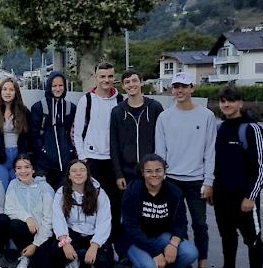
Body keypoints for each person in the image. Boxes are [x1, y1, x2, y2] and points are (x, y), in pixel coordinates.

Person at [155, 72, 217, 268]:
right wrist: (160, 177)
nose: (179, 91)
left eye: (184, 86)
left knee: (200, 224)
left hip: (197, 179)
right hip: (171, 179)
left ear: (192, 88)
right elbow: (160, 151)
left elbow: (210, 151)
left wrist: (208, 181)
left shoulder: (207, 116)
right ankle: (185, 263)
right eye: (175, 87)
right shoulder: (165, 117)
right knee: (176, 224)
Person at [208, 86, 263, 268]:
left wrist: (251, 196)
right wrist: (212, 186)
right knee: (227, 235)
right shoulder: (221, 128)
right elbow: (215, 162)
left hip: (245, 198)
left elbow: (261, 167)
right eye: (223, 101)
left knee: (253, 241)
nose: (226, 105)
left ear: (240, 102)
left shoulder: (251, 129)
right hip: (223, 195)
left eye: (231, 101)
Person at [118, 154, 198, 268]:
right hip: (134, 239)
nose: (154, 175)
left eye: (158, 170)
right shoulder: (134, 190)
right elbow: (130, 227)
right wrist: (156, 253)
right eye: (149, 171)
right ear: (142, 173)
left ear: (164, 171)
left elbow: (180, 222)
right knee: (148, 267)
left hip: (160, 236)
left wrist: (173, 243)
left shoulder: (174, 192)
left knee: (190, 252)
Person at [73, 63, 123, 238]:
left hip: (114, 161)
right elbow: (77, 133)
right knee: (93, 204)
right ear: (96, 78)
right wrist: (83, 158)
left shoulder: (120, 100)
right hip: (92, 160)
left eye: (110, 76)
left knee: (115, 205)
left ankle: (112, 245)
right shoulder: (86, 100)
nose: (106, 80)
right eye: (102, 76)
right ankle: (93, 244)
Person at [51, 159, 114, 268]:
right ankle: (74, 260)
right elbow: (57, 218)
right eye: (74, 171)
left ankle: (93, 263)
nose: (78, 173)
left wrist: (95, 245)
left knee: (105, 261)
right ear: (69, 175)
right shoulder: (62, 192)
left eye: (82, 170)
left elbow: (104, 221)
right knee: (56, 251)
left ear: (88, 174)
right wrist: (65, 242)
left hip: (93, 233)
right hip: (73, 232)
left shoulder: (99, 193)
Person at [110, 69, 163, 188]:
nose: (131, 84)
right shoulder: (117, 112)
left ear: (141, 82)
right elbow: (114, 145)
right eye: (127, 82)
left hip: (151, 170)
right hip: (127, 171)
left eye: (134, 80)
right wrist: (119, 174)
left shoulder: (155, 107)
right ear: (123, 86)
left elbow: (164, 139)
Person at [5, 154, 55, 268]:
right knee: (14, 224)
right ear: (15, 171)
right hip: (26, 230)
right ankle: (25, 256)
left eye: (27, 167)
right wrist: (27, 218)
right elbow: (9, 209)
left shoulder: (45, 188)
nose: (23, 171)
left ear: (33, 169)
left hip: (43, 232)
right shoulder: (13, 184)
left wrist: (35, 244)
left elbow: (49, 219)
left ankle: (32, 251)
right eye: (19, 168)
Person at [30, 71, 77, 189]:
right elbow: (33, 134)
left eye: (60, 85)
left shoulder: (70, 107)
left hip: (65, 162)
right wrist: (43, 150)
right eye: (54, 86)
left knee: (63, 195)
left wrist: (70, 150)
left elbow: (73, 132)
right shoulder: (39, 107)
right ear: (49, 86)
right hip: (44, 163)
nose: (57, 89)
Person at [0, 77, 30, 191]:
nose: (8, 92)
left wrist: (24, 156)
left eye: (11, 90)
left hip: (18, 155)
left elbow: (28, 137)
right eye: (5, 89)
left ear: (16, 92)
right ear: (0, 91)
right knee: (1, 189)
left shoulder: (24, 112)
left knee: (18, 190)